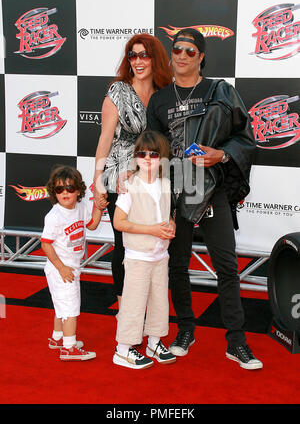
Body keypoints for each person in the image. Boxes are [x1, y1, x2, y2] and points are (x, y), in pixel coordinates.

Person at [146, 28, 263, 370]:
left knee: (227, 266)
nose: (181, 55)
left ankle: (236, 341)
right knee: (177, 265)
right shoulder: (160, 100)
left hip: (213, 190)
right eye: (177, 49)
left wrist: (221, 156)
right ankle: (185, 329)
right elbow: (152, 150)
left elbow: (245, 137)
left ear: (201, 57)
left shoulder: (221, 91)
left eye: (190, 51)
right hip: (176, 192)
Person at [93, 33, 172, 308]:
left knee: (152, 243)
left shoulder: (166, 92)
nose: (137, 61)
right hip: (120, 177)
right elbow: (105, 138)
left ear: (155, 59)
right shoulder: (118, 91)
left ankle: (148, 304)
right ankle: (126, 307)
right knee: (124, 243)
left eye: (144, 55)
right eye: (133, 55)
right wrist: (98, 183)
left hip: (154, 176)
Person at [112, 130, 176, 369]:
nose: (147, 158)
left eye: (153, 154)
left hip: (161, 256)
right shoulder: (129, 185)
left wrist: (171, 226)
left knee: (160, 302)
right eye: (142, 153)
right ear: (135, 157)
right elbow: (119, 223)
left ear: (162, 157)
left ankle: (154, 342)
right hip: (138, 256)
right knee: (134, 303)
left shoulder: (166, 185)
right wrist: (152, 230)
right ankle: (123, 350)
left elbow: (168, 216)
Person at [41, 165, 102, 361]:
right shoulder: (54, 216)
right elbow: (45, 245)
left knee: (62, 305)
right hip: (60, 269)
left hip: (71, 267)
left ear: (78, 190)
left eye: (69, 188)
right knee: (70, 307)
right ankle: (69, 347)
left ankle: (57, 338)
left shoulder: (81, 207)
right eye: (59, 189)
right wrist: (61, 268)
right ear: (54, 192)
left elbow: (91, 225)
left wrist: (99, 208)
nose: (65, 192)